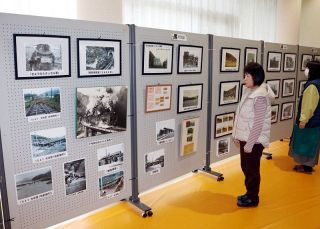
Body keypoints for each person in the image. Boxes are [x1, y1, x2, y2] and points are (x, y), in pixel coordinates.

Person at [232, 62, 275, 207]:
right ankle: (249, 193)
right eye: (244, 75)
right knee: (245, 167)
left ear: (255, 77)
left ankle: (253, 198)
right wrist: (236, 136)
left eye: (247, 76)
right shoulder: (249, 92)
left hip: (254, 142)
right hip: (246, 139)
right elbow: (240, 117)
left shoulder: (260, 97)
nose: (244, 78)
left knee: (252, 169)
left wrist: (249, 144)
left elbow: (258, 123)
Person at [289, 61, 320, 173]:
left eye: (307, 68)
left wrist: (303, 120)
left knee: (305, 144)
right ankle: (307, 165)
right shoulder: (318, 83)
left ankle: (306, 167)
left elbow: (308, 106)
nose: (305, 70)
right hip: (316, 121)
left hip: (310, 122)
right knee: (311, 144)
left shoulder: (312, 86)